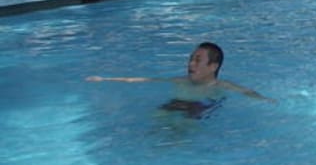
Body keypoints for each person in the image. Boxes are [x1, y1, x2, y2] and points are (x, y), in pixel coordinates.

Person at [87, 41, 271, 104]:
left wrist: (268, 101)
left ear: (213, 66)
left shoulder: (222, 85)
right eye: (191, 59)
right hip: (174, 106)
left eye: (197, 60)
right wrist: (105, 79)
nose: (191, 64)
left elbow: (248, 92)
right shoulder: (180, 81)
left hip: (198, 109)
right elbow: (143, 80)